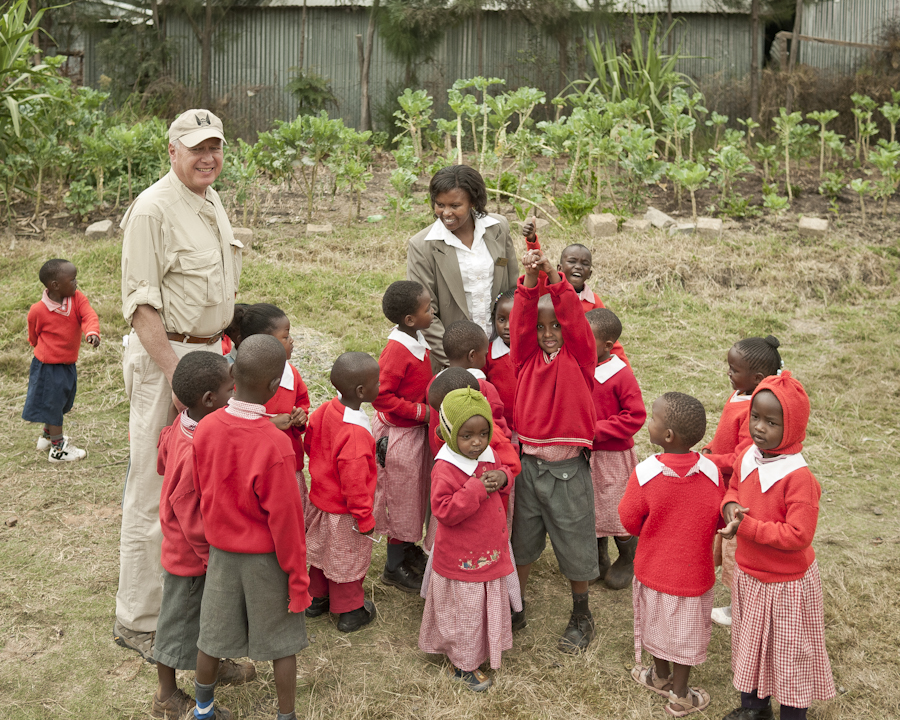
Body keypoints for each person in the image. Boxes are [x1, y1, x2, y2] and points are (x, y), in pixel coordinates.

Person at [116, 108, 244, 660]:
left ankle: (188, 615)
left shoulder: (208, 199)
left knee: (199, 487)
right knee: (155, 488)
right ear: (172, 151)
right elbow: (141, 306)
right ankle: (139, 619)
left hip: (208, 357)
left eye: (214, 147)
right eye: (196, 148)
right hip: (168, 358)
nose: (207, 158)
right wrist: (177, 373)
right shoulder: (153, 209)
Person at [192, 334, 310, 720]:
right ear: (275, 385)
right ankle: (286, 715)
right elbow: (287, 522)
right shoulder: (275, 444)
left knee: (211, 637)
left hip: (221, 554)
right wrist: (298, 580)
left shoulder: (206, 428)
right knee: (282, 643)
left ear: (232, 373)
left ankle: (203, 709)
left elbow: (201, 490)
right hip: (266, 560)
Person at [719, 371, 836, 720]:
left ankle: (792, 714)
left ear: (793, 428)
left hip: (786, 585)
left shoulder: (799, 478)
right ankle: (754, 709)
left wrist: (748, 527)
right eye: (755, 417)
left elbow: (799, 534)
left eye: (771, 422)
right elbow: (734, 489)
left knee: (789, 656)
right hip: (750, 576)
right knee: (751, 646)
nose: (759, 427)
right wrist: (730, 507)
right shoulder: (748, 456)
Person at [151, 352, 254, 720]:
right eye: (231, 389)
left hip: (194, 551)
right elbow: (190, 514)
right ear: (209, 400)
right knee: (176, 624)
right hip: (190, 556)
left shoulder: (182, 424)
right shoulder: (195, 447)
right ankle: (166, 694)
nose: (235, 392)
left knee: (207, 616)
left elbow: (162, 457)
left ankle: (212, 664)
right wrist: (213, 557)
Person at [509, 248, 599, 653]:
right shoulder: (524, 358)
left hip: (568, 470)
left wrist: (556, 279)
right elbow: (520, 321)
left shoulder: (579, 358)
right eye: (541, 327)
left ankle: (582, 612)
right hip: (528, 466)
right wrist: (530, 281)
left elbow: (575, 319)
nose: (548, 333)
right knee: (522, 542)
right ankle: (515, 605)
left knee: (575, 543)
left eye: (555, 326)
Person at [619, 392, 723, 718]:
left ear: (667, 435)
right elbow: (720, 518)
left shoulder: (646, 473)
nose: (648, 422)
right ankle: (680, 692)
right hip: (694, 575)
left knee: (656, 623)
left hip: (654, 569)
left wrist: (652, 530)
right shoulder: (711, 472)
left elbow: (628, 519)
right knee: (685, 635)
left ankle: (662, 678)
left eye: (653, 418)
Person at [418, 388, 517, 692]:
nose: (477, 442)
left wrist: (504, 478)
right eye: (467, 435)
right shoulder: (445, 468)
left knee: (479, 610)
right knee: (466, 613)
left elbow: (503, 472)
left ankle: (479, 649)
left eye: (484, 434)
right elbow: (444, 511)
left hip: (487, 551)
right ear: (449, 435)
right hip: (463, 558)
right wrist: (476, 489)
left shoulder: (487, 455)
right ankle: (463, 665)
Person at [702, 335, 782, 628]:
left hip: (740, 489)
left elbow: (742, 456)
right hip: (725, 484)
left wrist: (710, 461)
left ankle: (741, 607)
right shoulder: (739, 393)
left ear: (757, 378)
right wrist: (710, 448)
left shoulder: (755, 412)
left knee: (738, 551)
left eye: (734, 369)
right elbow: (724, 435)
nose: (729, 373)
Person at [406, 165, 519, 371]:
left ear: (473, 202)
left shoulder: (498, 228)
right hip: (453, 362)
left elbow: (512, 288)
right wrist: (459, 362)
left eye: (455, 205)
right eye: (440, 204)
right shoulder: (422, 246)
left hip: (501, 352)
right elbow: (425, 316)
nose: (446, 213)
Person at [303, 352, 380, 633]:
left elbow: (310, 442)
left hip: (321, 502)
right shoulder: (356, 435)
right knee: (347, 559)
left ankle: (316, 599)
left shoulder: (326, 409)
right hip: (345, 512)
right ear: (361, 391)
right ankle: (350, 611)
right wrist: (365, 517)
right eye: (376, 382)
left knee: (322, 553)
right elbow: (354, 484)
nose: (380, 385)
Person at [372, 280, 434, 593]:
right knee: (401, 498)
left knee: (413, 495)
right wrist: (420, 412)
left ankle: (408, 548)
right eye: (428, 308)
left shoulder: (416, 338)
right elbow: (380, 395)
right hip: (398, 436)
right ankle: (394, 566)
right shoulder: (397, 351)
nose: (433, 312)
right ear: (410, 319)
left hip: (412, 433)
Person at [585, 308, 646, 590]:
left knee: (614, 509)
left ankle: (628, 556)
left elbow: (635, 415)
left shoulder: (620, 374)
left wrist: (597, 430)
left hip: (612, 456)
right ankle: (598, 559)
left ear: (608, 345)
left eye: (588, 339)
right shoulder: (581, 367)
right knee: (590, 506)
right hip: (586, 454)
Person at [22, 258, 99, 463]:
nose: (76, 282)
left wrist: (91, 332)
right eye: (72, 279)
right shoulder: (38, 310)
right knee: (53, 404)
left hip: (66, 364)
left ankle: (47, 437)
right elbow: (33, 333)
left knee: (60, 401)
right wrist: (36, 346)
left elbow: (88, 316)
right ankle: (58, 450)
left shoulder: (77, 299)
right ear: (55, 285)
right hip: (48, 366)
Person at [521, 224, 629, 367]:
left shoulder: (593, 301)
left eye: (584, 264)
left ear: (590, 274)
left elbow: (607, 333)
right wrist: (532, 242)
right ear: (559, 268)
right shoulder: (548, 291)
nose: (578, 266)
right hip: (546, 358)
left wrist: (625, 370)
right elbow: (539, 270)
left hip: (577, 362)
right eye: (572, 261)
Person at [239, 303, 311, 511]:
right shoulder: (242, 380)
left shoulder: (291, 374)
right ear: (264, 342)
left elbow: (302, 402)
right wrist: (270, 425)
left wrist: (300, 417)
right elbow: (236, 425)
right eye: (285, 337)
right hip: (255, 467)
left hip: (288, 462)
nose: (292, 341)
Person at [483, 289, 516, 436]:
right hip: (500, 426)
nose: (507, 326)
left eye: (514, 319)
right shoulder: (488, 354)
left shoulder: (533, 351)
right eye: (501, 320)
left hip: (530, 425)